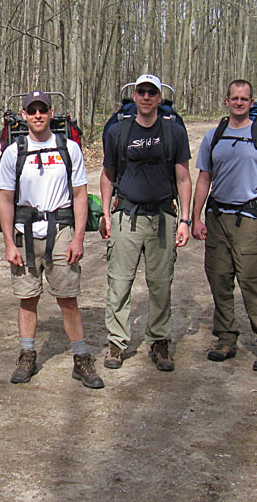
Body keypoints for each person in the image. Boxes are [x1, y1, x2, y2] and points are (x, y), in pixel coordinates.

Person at [0, 90, 104, 389]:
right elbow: (5, 200)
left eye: (42, 109)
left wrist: (79, 237)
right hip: (25, 233)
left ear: (51, 112)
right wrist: (8, 243)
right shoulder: (12, 152)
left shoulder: (69, 149)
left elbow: (81, 195)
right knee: (27, 297)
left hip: (61, 230)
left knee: (68, 298)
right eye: (31, 110)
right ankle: (27, 355)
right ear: (24, 115)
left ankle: (81, 359)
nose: (37, 115)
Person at [100, 73, 192, 371]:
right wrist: (105, 214)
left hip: (163, 216)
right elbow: (108, 175)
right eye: (142, 91)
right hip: (126, 216)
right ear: (135, 95)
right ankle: (116, 342)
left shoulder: (174, 132)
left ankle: (159, 341)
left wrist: (185, 220)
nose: (147, 97)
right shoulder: (118, 131)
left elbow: (183, 177)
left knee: (161, 283)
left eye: (152, 92)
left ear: (159, 97)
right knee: (120, 282)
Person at [191, 80, 257, 372]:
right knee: (219, 279)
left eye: (245, 99)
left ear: (252, 102)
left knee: (254, 284)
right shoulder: (213, 136)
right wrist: (195, 217)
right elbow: (204, 178)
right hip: (218, 218)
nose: (239, 103)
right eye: (235, 98)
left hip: (251, 221)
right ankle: (225, 338)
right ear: (227, 101)